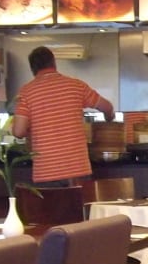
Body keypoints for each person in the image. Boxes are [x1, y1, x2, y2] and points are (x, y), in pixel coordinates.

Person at [11, 45, 114, 199]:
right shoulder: (76, 85)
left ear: (32, 68)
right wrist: (109, 117)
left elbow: (18, 131)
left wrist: (32, 128)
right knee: (80, 214)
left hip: (46, 170)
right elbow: (107, 107)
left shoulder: (27, 92)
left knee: (52, 214)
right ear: (54, 63)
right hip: (78, 169)